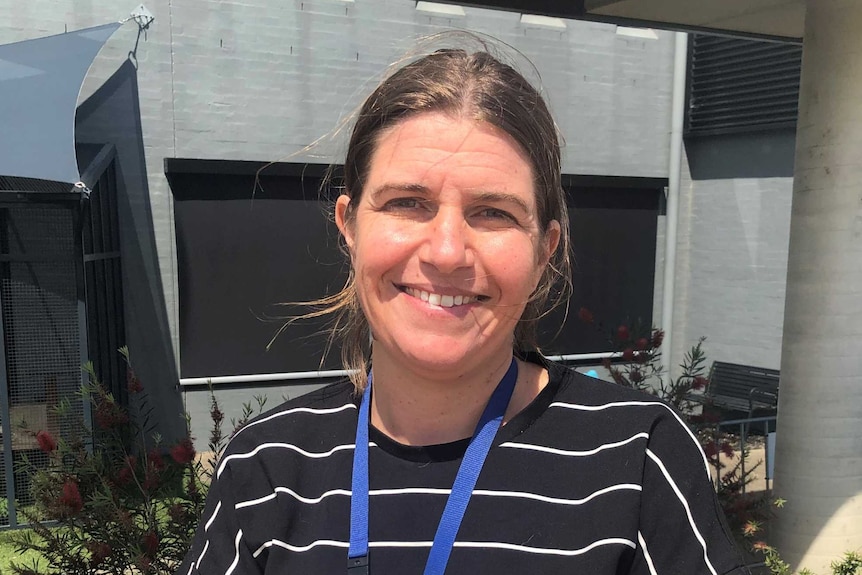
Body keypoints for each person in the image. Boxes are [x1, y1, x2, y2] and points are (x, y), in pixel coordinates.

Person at [178, 44, 749, 575]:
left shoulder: (638, 457)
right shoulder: (267, 466)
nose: (447, 252)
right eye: (407, 203)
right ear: (349, 226)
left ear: (544, 249)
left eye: (494, 212)